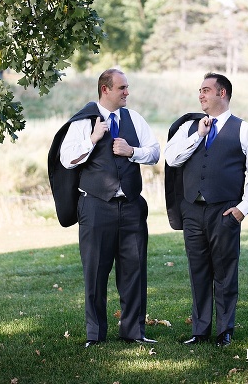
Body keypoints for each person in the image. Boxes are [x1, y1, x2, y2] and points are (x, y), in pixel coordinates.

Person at [58, 69, 160, 347]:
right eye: (122, 88)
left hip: (131, 207)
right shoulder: (84, 122)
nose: (127, 92)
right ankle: (95, 335)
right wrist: (92, 139)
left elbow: (154, 152)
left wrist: (132, 151)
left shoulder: (134, 118)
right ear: (105, 89)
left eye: (127, 87)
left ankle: (134, 331)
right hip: (95, 207)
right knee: (95, 272)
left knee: (134, 270)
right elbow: (67, 159)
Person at [165, 72, 248, 347]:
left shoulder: (244, 129)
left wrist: (243, 208)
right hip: (192, 212)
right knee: (197, 271)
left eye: (206, 90)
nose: (200, 95)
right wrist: (198, 135)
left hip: (225, 212)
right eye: (199, 90)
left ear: (222, 93)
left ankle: (224, 331)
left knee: (224, 272)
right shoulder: (189, 127)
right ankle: (200, 331)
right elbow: (172, 159)